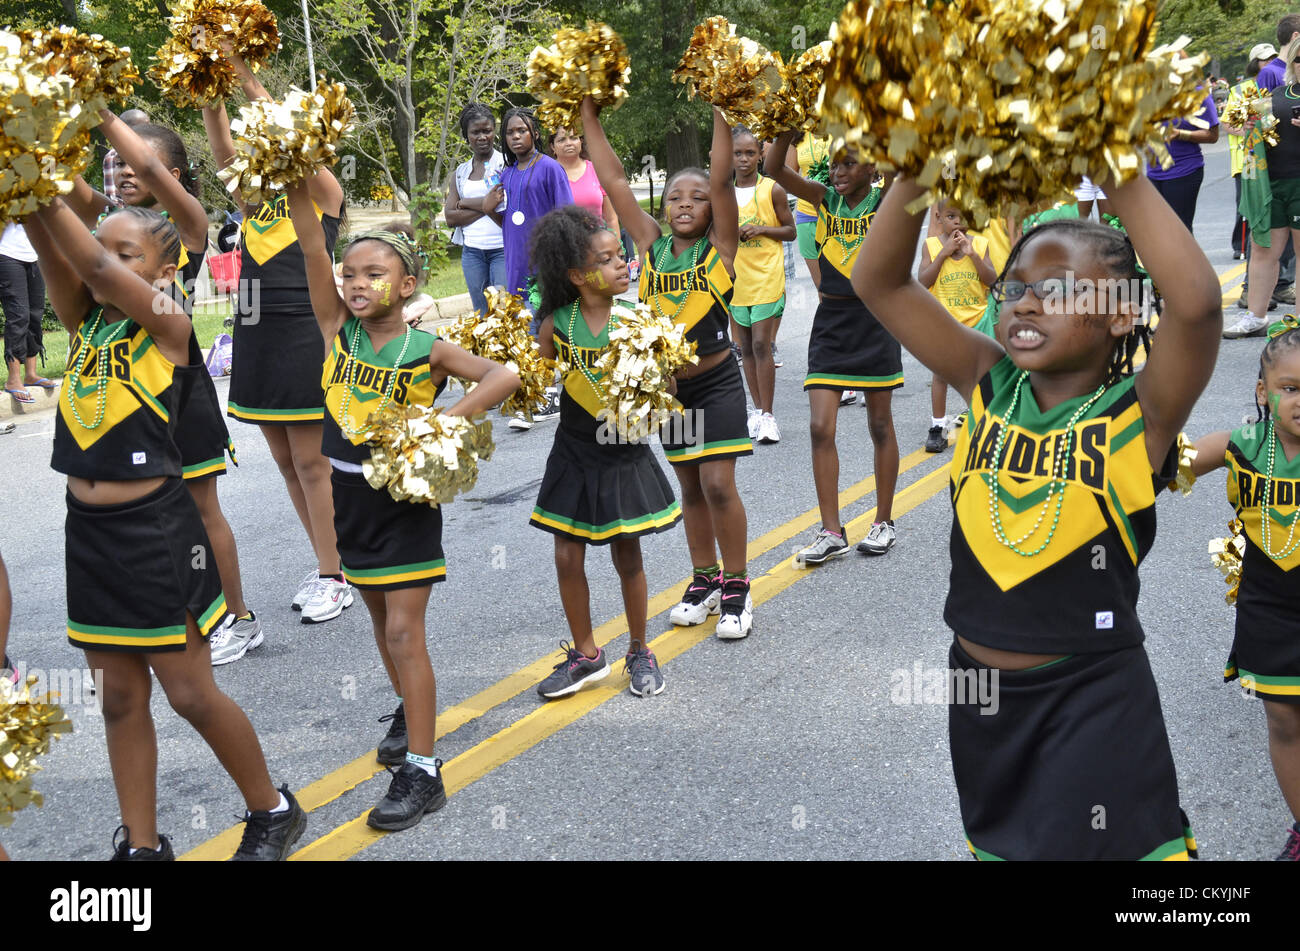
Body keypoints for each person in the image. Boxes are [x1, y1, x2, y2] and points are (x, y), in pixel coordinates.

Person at [855, 168, 1221, 860]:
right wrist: (914, 163)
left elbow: (1197, 306)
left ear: (1120, 313)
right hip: (980, 694)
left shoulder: (1141, 414)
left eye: (1056, 291)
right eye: (1014, 288)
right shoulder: (986, 379)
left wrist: (1116, 169)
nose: (1024, 302)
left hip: (1090, 695)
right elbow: (879, 282)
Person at [27, 196, 304, 861]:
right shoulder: (87, 321)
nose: (106, 262)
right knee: (119, 699)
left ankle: (273, 808)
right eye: (104, 247)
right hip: (88, 534)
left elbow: (92, 266)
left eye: (127, 254)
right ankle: (144, 847)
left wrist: (44, 188)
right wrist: (23, 188)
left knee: (189, 694)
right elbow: (57, 253)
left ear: (165, 269)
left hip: (155, 531)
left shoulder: (168, 323)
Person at [285, 181, 520, 830]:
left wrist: (444, 423)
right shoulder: (338, 331)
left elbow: (503, 375)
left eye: (374, 274)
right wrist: (294, 178)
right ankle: (406, 709)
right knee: (377, 616)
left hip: (404, 504)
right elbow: (311, 245)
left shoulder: (426, 351)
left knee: (402, 631)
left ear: (409, 284)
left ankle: (423, 768)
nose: (357, 283)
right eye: (351, 274)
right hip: (348, 500)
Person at [80, 112, 260, 667]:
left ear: (171, 176)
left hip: (178, 390)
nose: (124, 172)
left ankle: (236, 618)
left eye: (135, 164)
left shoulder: (183, 226)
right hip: (124, 391)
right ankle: (181, 612)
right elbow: (62, 191)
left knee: (200, 507)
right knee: (149, 511)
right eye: (116, 165)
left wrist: (103, 112)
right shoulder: (111, 222)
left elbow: (153, 169)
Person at [583, 97, 755, 640]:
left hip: (718, 381)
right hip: (671, 392)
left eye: (698, 198)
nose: (685, 204)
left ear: (713, 208)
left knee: (718, 483)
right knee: (692, 487)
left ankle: (738, 586)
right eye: (676, 196)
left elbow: (722, 178)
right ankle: (705, 579)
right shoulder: (650, 247)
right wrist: (589, 114)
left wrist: (721, 105)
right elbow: (613, 179)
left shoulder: (720, 248)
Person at [203, 45, 352, 623]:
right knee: (288, 463)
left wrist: (242, 71)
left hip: (304, 335)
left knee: (313, 464)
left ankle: (335, 575)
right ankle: (328, 562)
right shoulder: (251, 203)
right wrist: (210, 85)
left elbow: (291, 134)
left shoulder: (323, 198)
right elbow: (222, 148)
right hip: (257, 337)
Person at [527, 206, 682, 698]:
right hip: (573, 450)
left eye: (622, 256)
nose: (622, 265)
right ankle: (587, 654)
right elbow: (534, 382)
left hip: (621, 448)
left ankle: (640, 649)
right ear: (576, 275)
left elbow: (670, 387)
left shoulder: (639, 320)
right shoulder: (556, 324)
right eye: (607, 259)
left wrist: (653, 385)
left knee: (627, 553)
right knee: (566, 555)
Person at [1188, 322, 1300, 861]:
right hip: (1268, 607)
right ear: (1263, 390)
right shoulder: (1241, 446)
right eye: (1289, 387)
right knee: (1285, 719)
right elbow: (1158, 468)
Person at [766, 131, 902, 563]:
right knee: (820, 426)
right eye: (834, 164)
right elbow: (773, 168)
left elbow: (906, 165)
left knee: (880, 425)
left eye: (848, 163)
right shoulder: (823, 199)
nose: (838, 172)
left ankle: (884, 521)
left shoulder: (884, 201)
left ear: (872, 168)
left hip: (876, 319)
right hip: (832, 320)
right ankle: (831, 530)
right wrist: (786, 125)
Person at [479, 107, 572, 431]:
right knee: (530, 330)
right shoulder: (506, 174)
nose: (516, 137)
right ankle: (546, 391)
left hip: (545, 265)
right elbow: (511, 223)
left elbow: (566, 217)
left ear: (535, 133)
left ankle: (545, 396)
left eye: (522, 130)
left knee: (538, 329)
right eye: (510, 132)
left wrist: (560, 263)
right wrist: (489, 210)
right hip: (517, 264)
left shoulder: (550, 168)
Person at [1230, 36, 1300, 341]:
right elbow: (1240, 127)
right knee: (1262, 249)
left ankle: (1297, 321)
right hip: (1271, 185)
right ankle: (1255, 316)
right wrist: (1248, 127)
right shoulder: (1275, 95)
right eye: (1299, 59)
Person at [731, 126, 794, 445]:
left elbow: (790, 231)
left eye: (750, 153)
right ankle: (756, 411)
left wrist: (762, 229)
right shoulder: (724, 193)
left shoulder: (772, 189)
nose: (743, 159)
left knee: (760, 344)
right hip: (736, 279)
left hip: (767, 276)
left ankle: (769, 416)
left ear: (760, 155)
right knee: (744, 347)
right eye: (737, 153)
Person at [918, 200, 996, 453]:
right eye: (951, 216)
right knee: (940, 375)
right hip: (945, 323)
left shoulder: (980, 244)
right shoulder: (931, 246)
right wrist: (943, 253)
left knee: (981, 377)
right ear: (939, 218)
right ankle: (937, 427)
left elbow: (992, 280)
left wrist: (973, 254)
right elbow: (922, 282)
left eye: (963, 217)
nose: (958, 222)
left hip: (978, 321)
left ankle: (985, 425)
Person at [445, 102, 505, 318]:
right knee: (481, 314)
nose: (482, 137)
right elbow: (450, 218)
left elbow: (507, 209)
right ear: (466, 136)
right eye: (475, 132)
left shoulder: (506, 166)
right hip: (472, 253)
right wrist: (488, 205)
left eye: (487, 131)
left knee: (503, 312)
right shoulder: (460, 173)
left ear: (494, 131)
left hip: (502, 250)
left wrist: (467, 203)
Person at [1145, 69, 1219, 232]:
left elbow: (1213, 135)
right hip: (1153, 172)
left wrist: (1180, 134)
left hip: (1184, 170)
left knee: (1179, 230)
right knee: (1157, 230)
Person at [1, 223, 54, 404]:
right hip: (6, 253)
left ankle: (30, 374)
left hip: (34, 254)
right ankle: (13, 379)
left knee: (35, 314)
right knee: (19, 315)